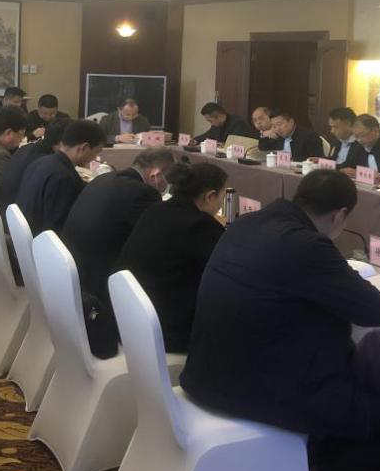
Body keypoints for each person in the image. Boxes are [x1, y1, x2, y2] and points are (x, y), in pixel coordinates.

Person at [181, 170, 380, 471]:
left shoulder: (247, 223)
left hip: (207, 373)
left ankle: (306, 468)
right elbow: (378, 311)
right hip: (254, 391)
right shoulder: (307, 244)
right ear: (339, 215)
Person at [117, 161, 227, 354]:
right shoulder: (199, 226)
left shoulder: (156, 210)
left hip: (129, 320)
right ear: (210, 196)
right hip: (165, 334)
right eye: (222, 197)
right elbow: (228, 272)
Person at [61, 147, 176, 298]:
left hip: (72, 267)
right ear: (156, 174)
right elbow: (155, 241)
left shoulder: (103, 178)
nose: (169, 185)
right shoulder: (144, 193)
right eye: (170, 179)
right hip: (98, 283)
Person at [16, 119, 104, 233]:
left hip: (26, 234)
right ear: (83, 148)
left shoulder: (40, 162)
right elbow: (57, 226)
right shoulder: (63, 177)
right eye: (97, 151)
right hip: (43, 239)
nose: (95, 157)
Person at [0, 119, 69, 211]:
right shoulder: (48, 164)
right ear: (62, 143)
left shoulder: (27, 147)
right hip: (18, 212)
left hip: (8, 209)